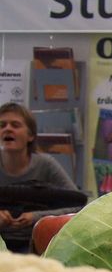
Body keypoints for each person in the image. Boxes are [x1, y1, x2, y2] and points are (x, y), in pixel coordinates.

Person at [0, 102, 83, 252]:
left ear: (30, 135)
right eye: (2, 125)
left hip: (36, 245)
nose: (7, 129)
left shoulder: (46, 164)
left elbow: (80, 205)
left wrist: (36, 216)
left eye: (15, 125)